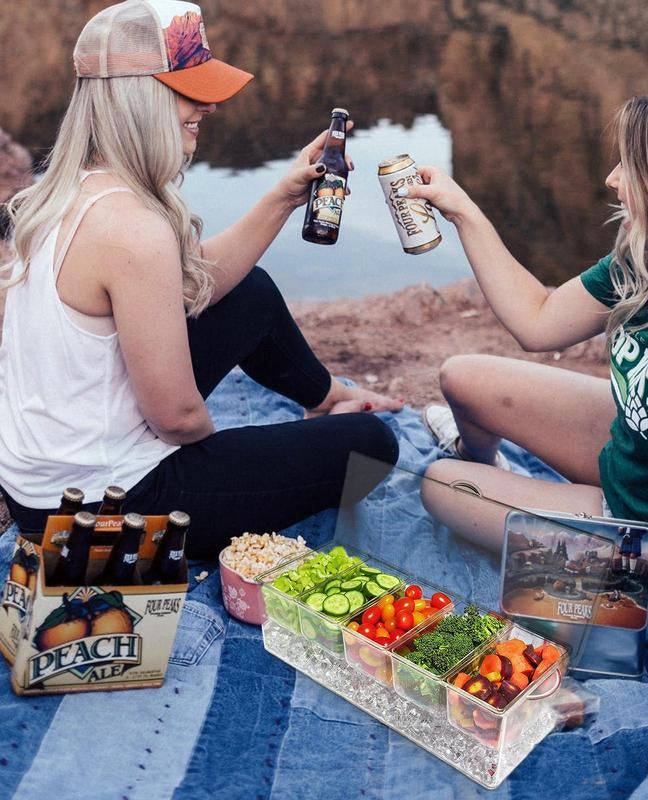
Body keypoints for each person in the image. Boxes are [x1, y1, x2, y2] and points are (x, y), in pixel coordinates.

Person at [406, 91, 648, 684]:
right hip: (642, 453)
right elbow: (537, 319)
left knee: (437, 486)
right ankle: (488, 472)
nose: (612, 179)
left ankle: (504, 500)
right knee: (461, 376)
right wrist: (462, 210)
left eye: (629, 166)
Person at [0, 0, 401, 558]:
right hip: (95, 518)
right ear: (136, 99)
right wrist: (238, 465)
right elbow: (177, 418)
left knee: (250, 291)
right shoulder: (131, 227)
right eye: (188, 91)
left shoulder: (63, 192)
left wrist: (285, 195)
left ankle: (323, 397)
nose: (209, 106)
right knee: (373, 445)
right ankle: (326, 439)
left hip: (46, 484)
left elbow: (196, 282)